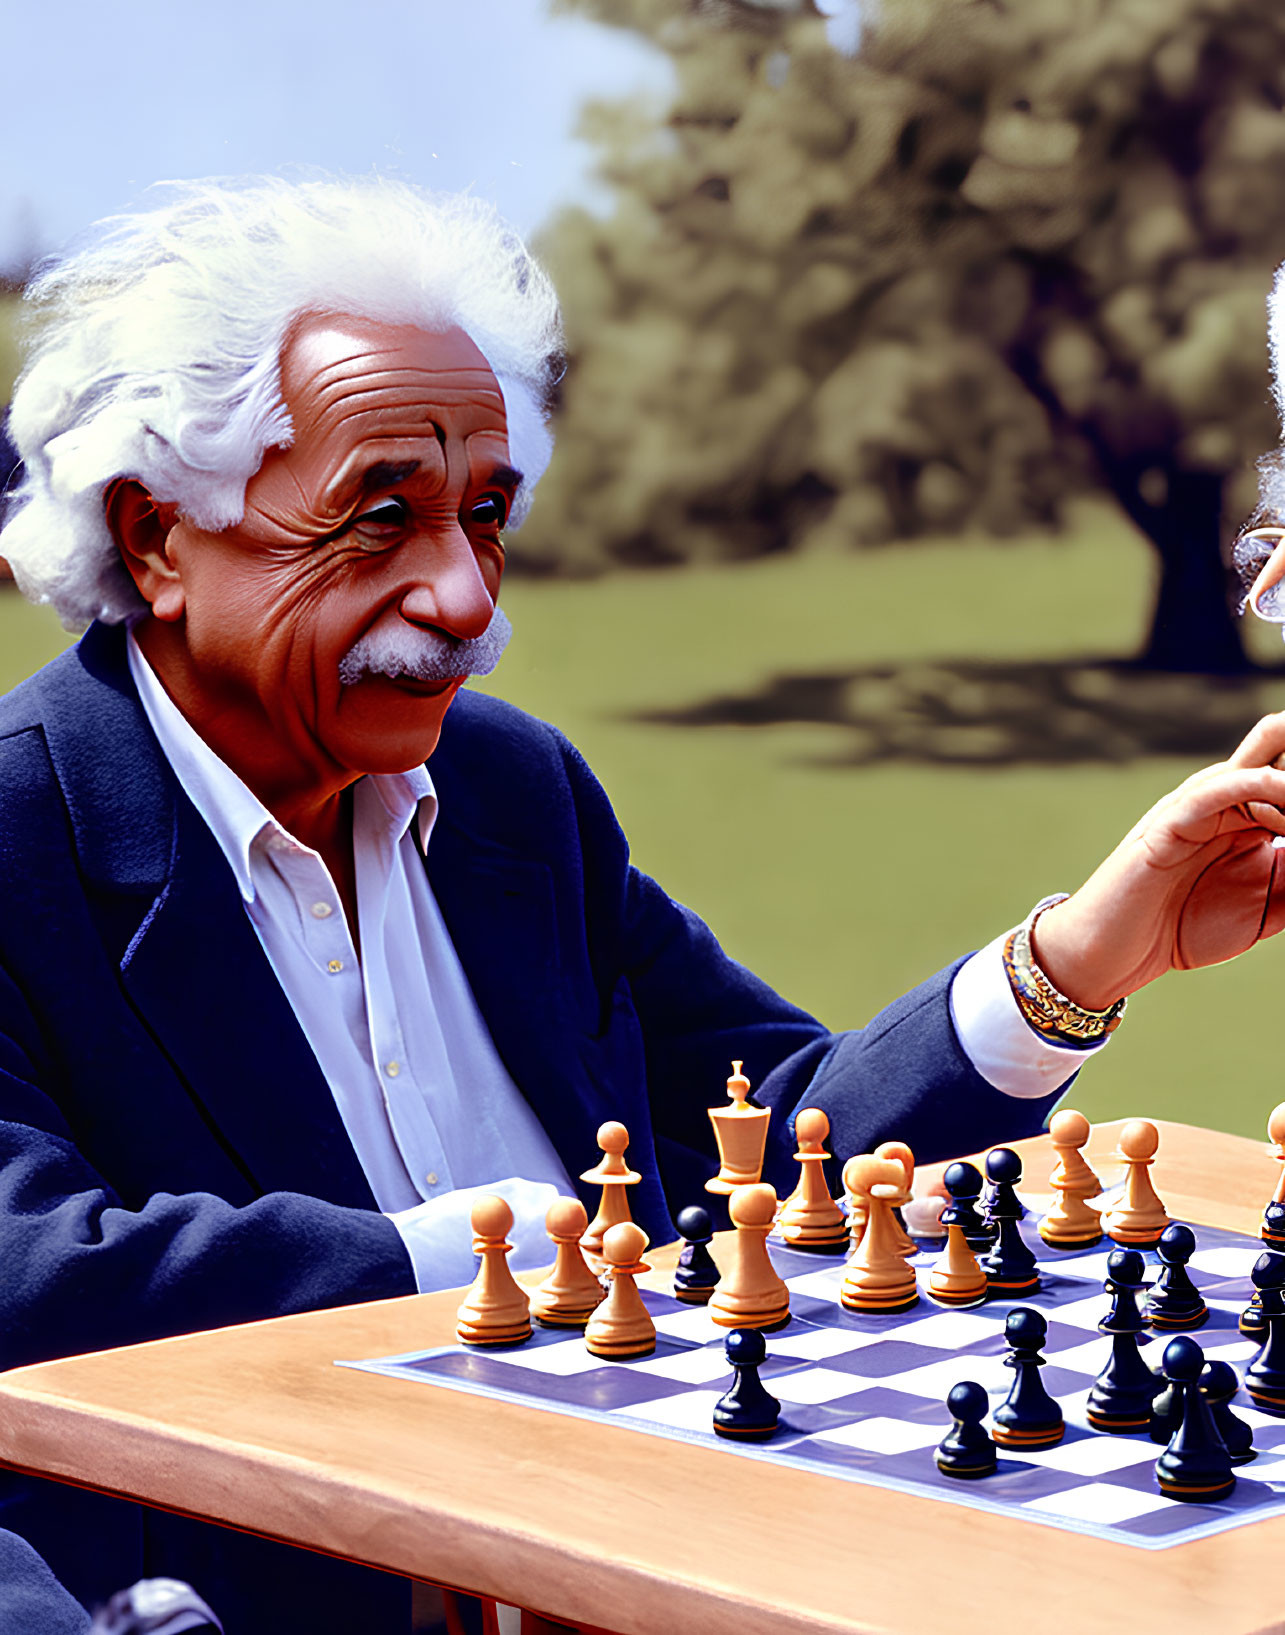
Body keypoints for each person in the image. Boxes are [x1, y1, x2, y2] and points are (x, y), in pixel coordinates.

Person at [3, 175, 1285, 1633]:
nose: (466, 601)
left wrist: (1075, 959)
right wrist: (462, 1258)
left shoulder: (510, 793)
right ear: (160, 537)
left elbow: (786, 1150)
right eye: (377, 521)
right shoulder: (17, 838)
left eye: (485, 517)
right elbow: (29, 1271)